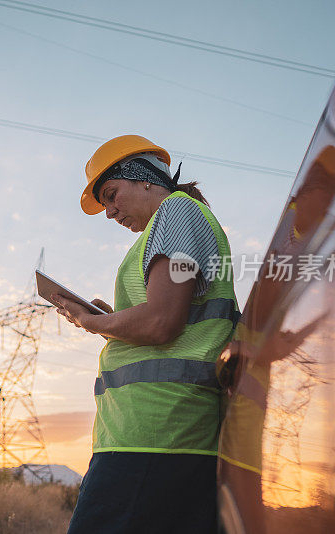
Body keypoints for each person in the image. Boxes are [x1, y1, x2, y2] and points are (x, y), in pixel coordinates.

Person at [53, 135, 240, 533]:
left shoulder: (176, 214)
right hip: (159, 435)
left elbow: (161, 322)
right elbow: (169, 321)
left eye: (112, 194)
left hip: (156, 434)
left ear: (144, 179)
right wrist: (114, 322)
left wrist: (92, 322)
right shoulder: (171, 224)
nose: (109, 212)